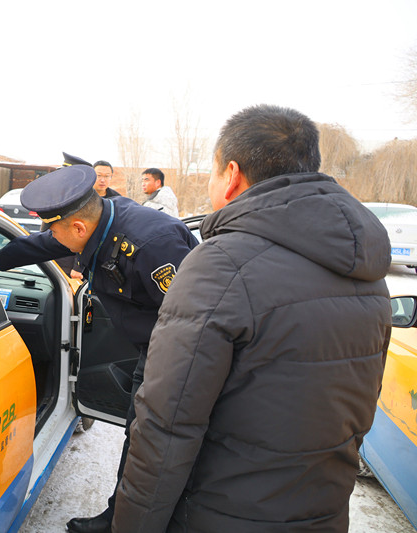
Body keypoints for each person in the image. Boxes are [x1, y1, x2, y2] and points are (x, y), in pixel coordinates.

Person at [112, 104, 392, 533]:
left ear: (232, 175)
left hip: (219, 516)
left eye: (212, 171)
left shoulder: (221, 265)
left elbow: (167, 426)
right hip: (324, 513)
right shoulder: (368, 271)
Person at [0, 164, 199, 533]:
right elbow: (43, 244)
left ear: (79, 229)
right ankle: (119, 516)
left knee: (154, 445)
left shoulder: (153, 244)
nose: (53, 237)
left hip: (180, 356)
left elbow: (196, 323)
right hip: (155, 345)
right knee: (140, 439)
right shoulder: (94, 222)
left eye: (55, 230)